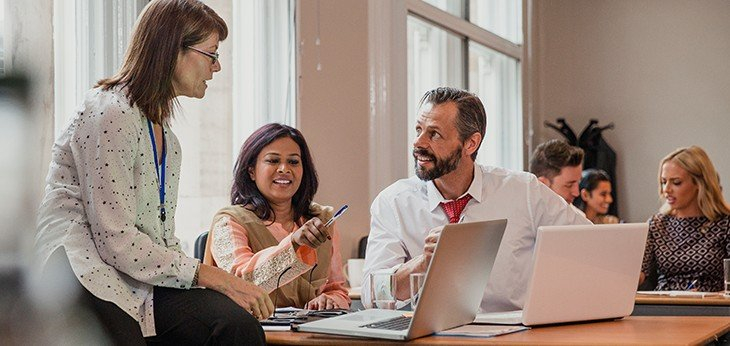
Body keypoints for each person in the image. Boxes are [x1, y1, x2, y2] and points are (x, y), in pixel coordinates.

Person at [34, 1, 272, 344]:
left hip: (133, 278)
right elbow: (114, 241)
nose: (217, 67)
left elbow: (158, 238)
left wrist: (213, 281)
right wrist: (212, 276)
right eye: (212, 54)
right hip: (78, 271)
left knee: (235, 325)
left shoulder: (167, 139)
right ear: (174, 51)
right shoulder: (110, 114)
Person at [362, 87, 590, 312]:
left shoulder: (524, 192)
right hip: (430, 337)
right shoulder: (392, 203)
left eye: (434, 134)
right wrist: (424, 264)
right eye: (418, 130)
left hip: (514, 336)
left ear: (471, 143)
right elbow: (372, 296)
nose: (418, 143)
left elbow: (589, 243)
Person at [205, 123, 351, 310]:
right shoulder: (229, 222)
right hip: (254, 334)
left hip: (311, 332)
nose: (284, 169)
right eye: (273, 161)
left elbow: (337, 290)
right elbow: (241, 284)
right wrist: (294, 243)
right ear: (251, 171)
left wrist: (329, 300)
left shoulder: (321, 219)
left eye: (293, 162)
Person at [639, 146, 730, 292]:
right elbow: (637, 273)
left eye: (676, 182)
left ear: (699, 184)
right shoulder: (657, 224)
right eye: (663, 182)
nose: (666, 190)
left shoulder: (725, 223)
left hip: (711, 307)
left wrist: (710, 296)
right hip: (663, 307)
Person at [529, 139, 585, 209]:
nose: (576, 193)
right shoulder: (518, 217)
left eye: (578, 183)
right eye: (569, 185)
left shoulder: (578, 217)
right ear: (542, 184)